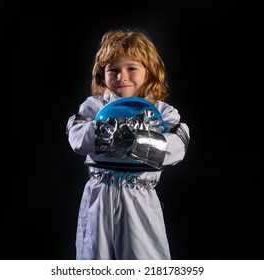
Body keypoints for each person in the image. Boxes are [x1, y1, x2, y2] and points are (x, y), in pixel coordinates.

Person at [66, 29, 190, 260]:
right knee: (94, 259)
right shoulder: (94, 106)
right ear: (102, 74)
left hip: (138, 199)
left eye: (131, 68)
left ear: (149, 72)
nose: (122, 76)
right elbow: (77, 138)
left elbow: (177, 147)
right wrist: (107, 132)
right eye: (113, 69)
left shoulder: (162, 112)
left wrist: (137, 141)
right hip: (99, 197)